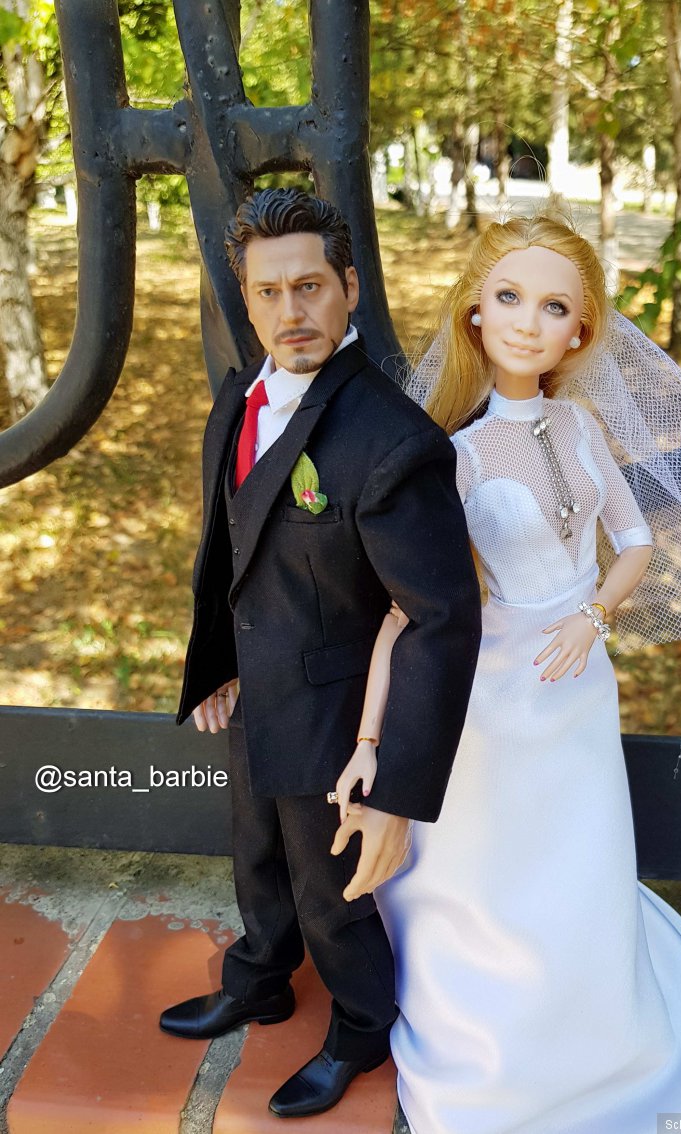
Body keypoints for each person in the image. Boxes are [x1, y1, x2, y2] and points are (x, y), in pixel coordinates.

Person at [340, 212, 681, 1134]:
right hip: (491, 694)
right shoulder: (453, 455)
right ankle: (505, 1033)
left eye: (554, 306)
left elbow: (634, 541)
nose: (528, 322)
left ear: (581, 330)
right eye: (509, 297)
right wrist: (370, 742)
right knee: (494, 863)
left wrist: (594, 614)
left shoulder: (579, 424)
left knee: (580, 851)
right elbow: (406, 615)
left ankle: (594, 1012)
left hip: (577, 681)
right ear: (476, 312)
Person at [159, 188, 481, 1120]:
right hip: (256, 687)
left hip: (339, 712)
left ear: (349, 288)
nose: (290, 311)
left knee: (330, 887)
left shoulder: (392, 441)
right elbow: (230, 548)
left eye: (310, 286)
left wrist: (394, 783)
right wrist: (216, 662)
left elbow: (440, 617)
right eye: (268, 292)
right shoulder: (240, 397)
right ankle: (260, 976)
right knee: (254, 850)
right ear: (246, 299)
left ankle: (361, 1026)